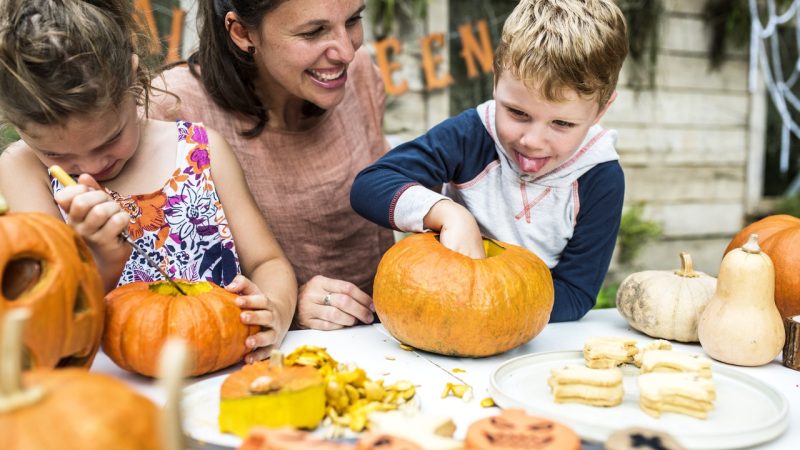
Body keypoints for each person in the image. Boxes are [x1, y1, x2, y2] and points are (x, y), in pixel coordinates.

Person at [0, 0, 296, 363]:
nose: (92, 167)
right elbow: (51, 321)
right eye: (58, 156)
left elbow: (268, 261)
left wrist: (275, 310)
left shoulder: (200, 150)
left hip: (226, 370)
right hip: (113, 391)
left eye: (109, 139)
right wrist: (102, 257)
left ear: (133, 76)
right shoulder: (24, 171)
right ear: (18, 128)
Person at [351, 0, 629, 322]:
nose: (532, 142)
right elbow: (370, 185)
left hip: (525, 333)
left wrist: (487, 308)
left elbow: (576, 293)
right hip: (440, 309)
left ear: (600, 110)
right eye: (517, 113)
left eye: (562, 124)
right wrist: (451, 215)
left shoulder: (601, 178)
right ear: (496, 81)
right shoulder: (471, 136)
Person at [148, 0, 395, 331]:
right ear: (242, 32)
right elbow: (157, 292)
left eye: (353, 21)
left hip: (385, 342)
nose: (346, 52)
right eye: (314, 31)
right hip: (258, 359)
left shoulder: (359, 71)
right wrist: (282, 308)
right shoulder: (171, 108)